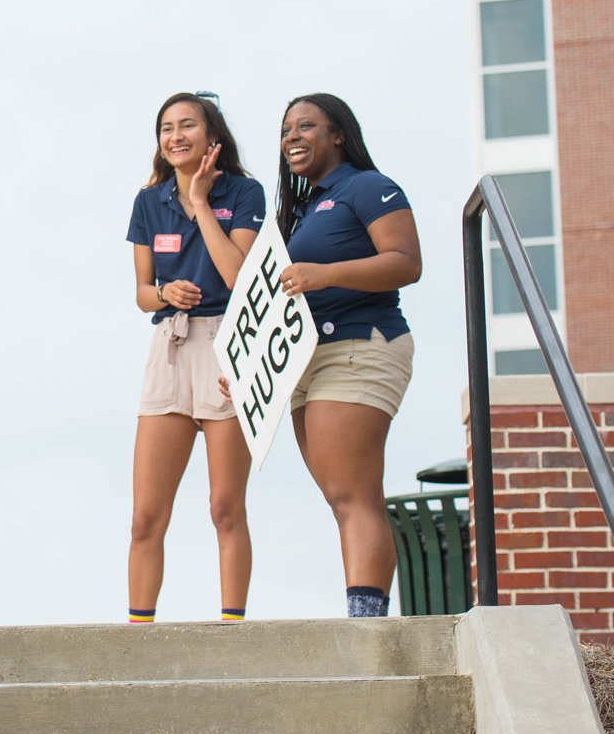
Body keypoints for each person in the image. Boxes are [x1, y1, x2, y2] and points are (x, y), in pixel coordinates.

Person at [275, 93, 421, 618]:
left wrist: (327, 273)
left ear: (338, 134)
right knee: (342, 497)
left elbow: (406, 262)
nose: (292, 136)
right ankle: (365, 615)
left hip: (360, 343)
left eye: (306, 125)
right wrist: (249, 376)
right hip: (307, 360)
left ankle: (367, 628)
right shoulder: (304, 211)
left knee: (353, 494)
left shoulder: (369, 187)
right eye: (286, 128)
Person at [124, 92, 265, 624]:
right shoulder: (148, 201)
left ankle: (231, 629)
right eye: (166, 128)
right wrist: (165, 294)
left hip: (230, 343)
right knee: (144, 516)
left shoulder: (244, 192)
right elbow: (141, 293)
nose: (176, 136)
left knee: (225, 507)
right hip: (171, 344)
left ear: (212, 136)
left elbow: (239, 275)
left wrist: (203, 202)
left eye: (187, 126)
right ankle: (139, 633)